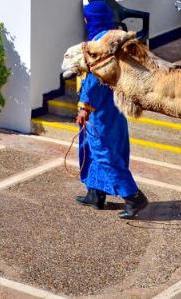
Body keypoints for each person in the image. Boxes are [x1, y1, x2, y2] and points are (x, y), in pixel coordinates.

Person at [76, 27, 148, 219]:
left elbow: (94, 80)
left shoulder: (101, 46)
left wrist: (84, 107)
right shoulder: (115, 42)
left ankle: (133, 196)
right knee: (96, 150)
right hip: (114, 108)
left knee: (104, 152)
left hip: (99, 112)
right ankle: (95, 193)